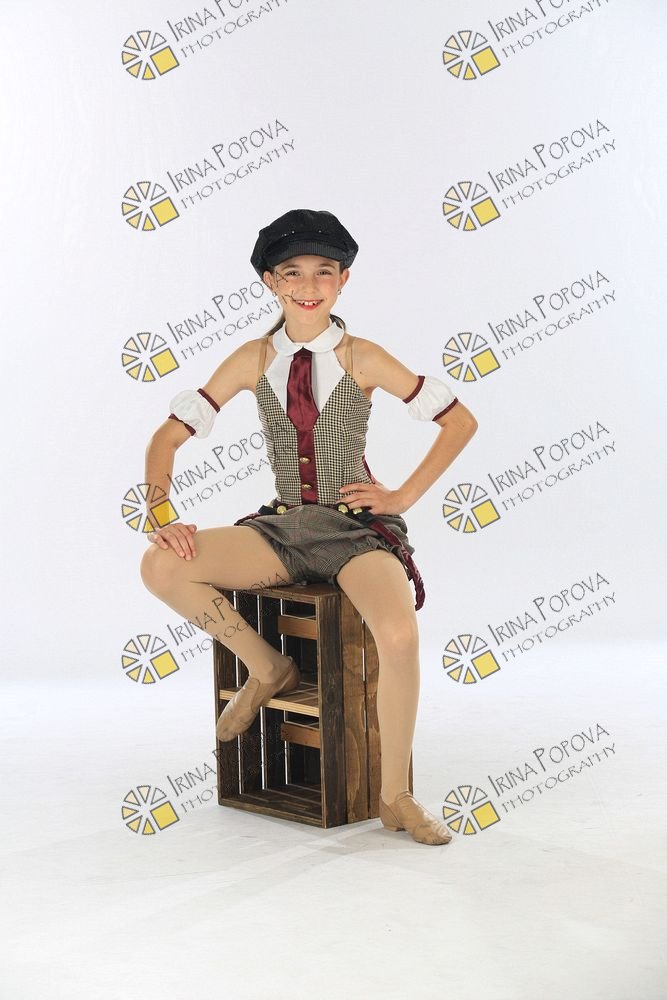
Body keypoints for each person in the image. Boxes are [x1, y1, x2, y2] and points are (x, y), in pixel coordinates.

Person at [140, 208, 478, 845]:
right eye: (292, 272)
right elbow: (166, 438)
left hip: (354, 531)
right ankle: (268, 668)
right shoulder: (252, 359)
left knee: (399, 636)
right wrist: (163, 515)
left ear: (343, 280)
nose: (309, 284)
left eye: (324, 271)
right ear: (271, 281)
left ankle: (395, 796)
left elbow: (459, 421)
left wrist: (401, 495)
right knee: (161, 565)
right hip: (286, 528)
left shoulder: (363, 356)